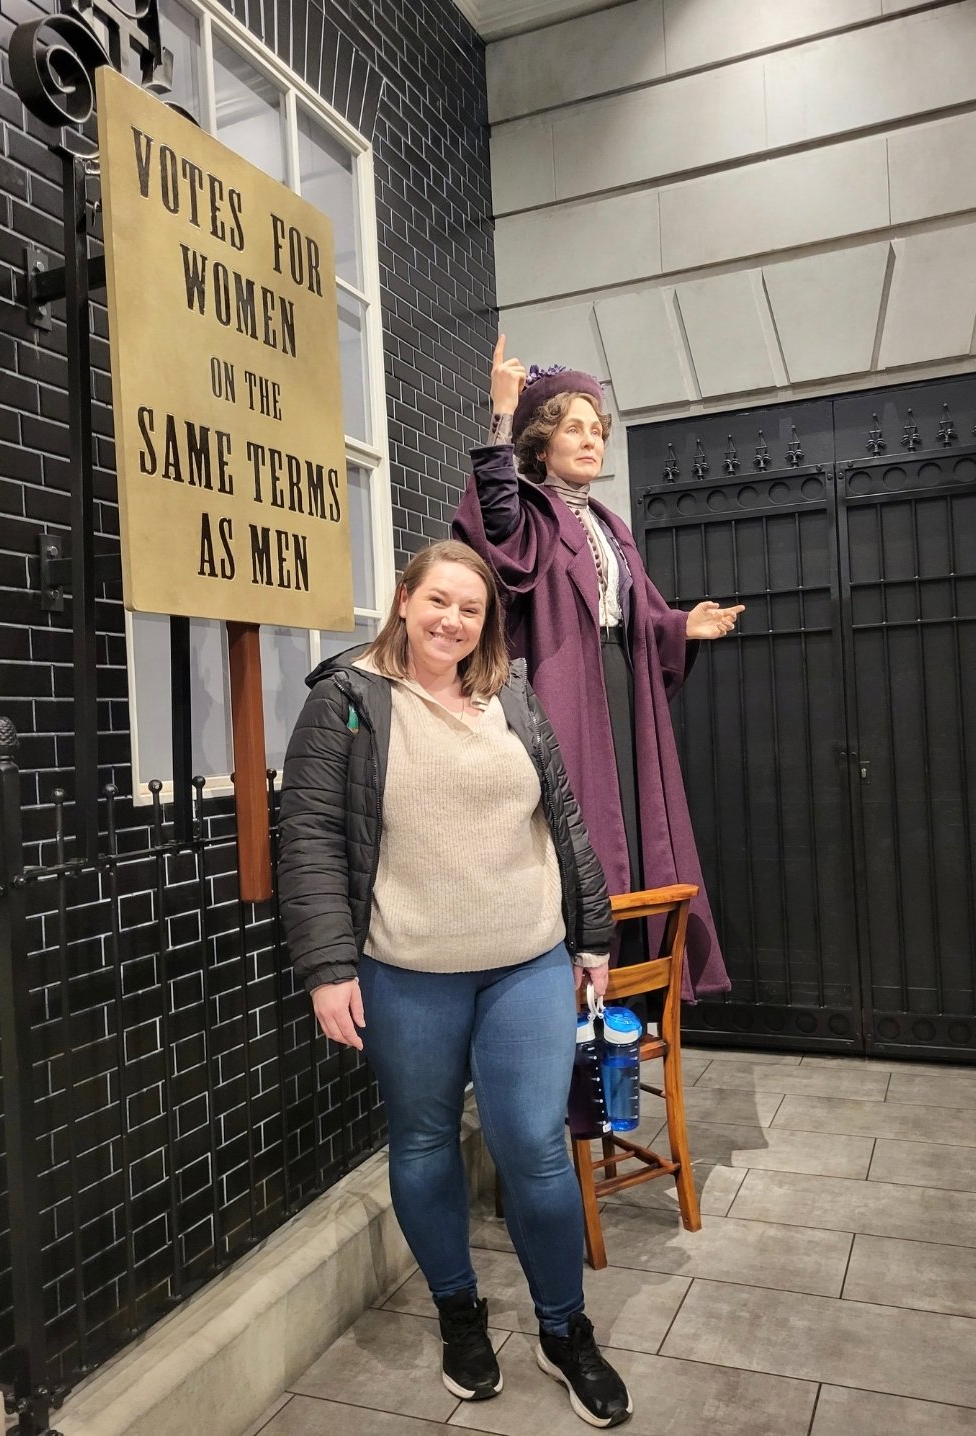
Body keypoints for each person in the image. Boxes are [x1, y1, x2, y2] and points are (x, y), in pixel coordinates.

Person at [278, 539, 632, 1429]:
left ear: (486, 622)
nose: (452, 621)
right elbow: (311, 840)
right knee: (425, 1141)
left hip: (527, 959)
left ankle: (563, 1330)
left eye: (470, 609)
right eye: (437, 601)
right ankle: (459, 1314)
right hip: (407, 970)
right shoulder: (347, 700)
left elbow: (563, 819)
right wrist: (327, 970)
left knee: (534, 1146)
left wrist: (592, 941)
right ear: (404, 600)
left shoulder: (509, 693)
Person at [453, 338, 744, 999]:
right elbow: (494, 530)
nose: (590, 441)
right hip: (563, 692)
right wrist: (498, 414)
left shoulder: (611, 524)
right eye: (572, 428)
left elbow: (622, 615)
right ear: (540, 441)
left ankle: (621, 1008)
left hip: (621, 694)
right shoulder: (528, 509)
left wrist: (677, 626)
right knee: (579, 837)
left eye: (596, 430)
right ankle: (566, 1006)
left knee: (633, 833)